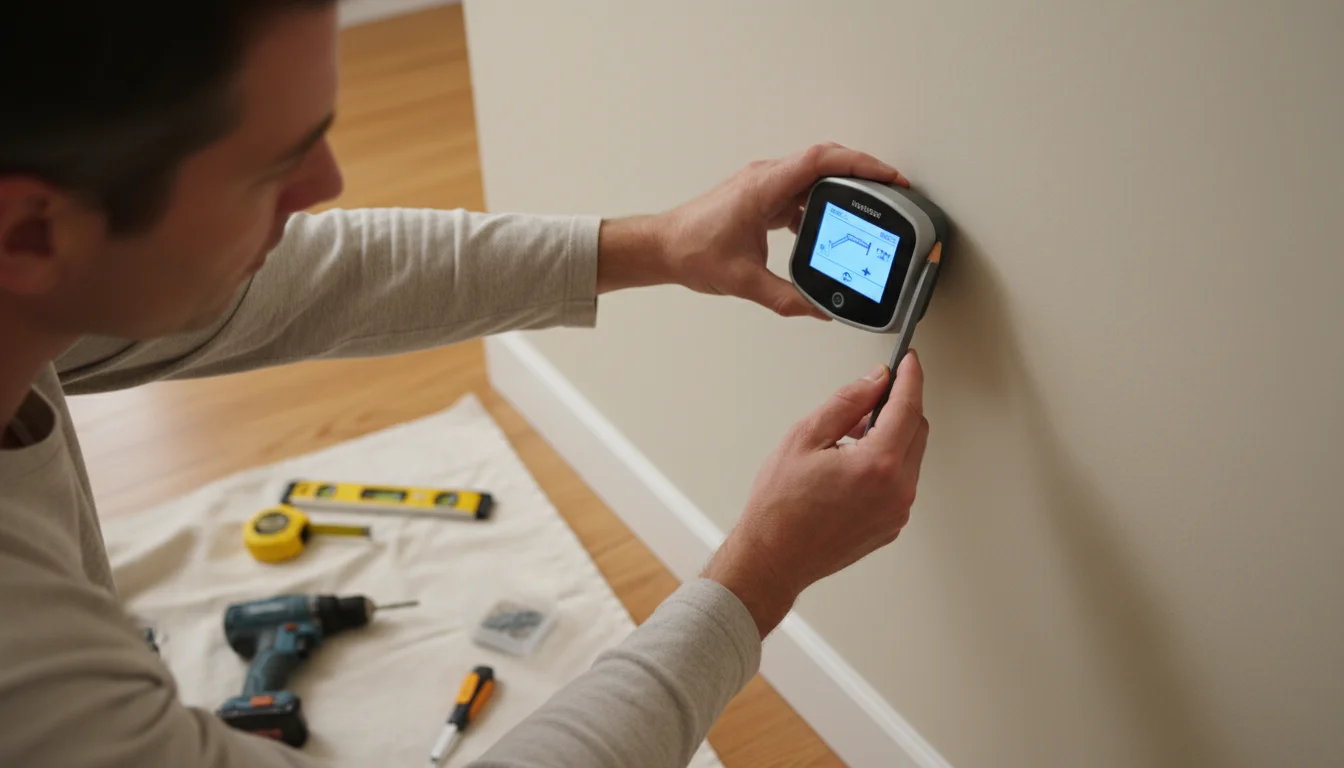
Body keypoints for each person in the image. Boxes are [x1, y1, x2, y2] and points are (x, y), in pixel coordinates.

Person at [0, 2, 931, 766]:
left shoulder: (28, 280)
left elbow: (308, 281)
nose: (327, 186)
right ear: (35, 232)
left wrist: (656, 244)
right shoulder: (39, 687)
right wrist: (761, 574)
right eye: (275, 166)